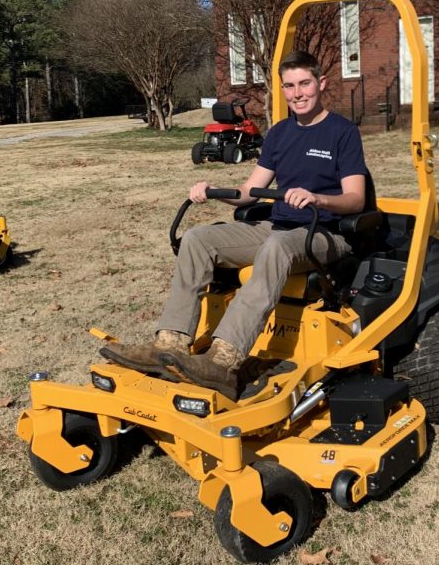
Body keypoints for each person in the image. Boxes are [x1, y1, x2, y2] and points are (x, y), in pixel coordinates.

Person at [102, 50, 368, 399]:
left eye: (304, 83)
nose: (298, 93)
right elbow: (248, 193)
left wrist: (318, 198)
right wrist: (213, 191)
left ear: (321, 84)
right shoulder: (280, 133)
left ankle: (223, 361)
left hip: (326, 232)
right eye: (289, 86)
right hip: (278, 227)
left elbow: (356, 199)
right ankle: (169, 344)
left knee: (276, 247)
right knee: (198, 239)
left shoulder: (342, 132)